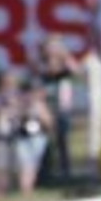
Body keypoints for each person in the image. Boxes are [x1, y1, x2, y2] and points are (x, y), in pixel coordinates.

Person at [0, 72, 52, 196]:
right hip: (21, 137)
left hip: (36, 137)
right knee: (24, 164)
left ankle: (26, 189)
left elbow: (49, 122)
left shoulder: (38, 104)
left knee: (31, 165)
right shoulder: (18, 102)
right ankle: (22, 189)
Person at [35, 35, 81, 185]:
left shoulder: (65, 65)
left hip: (63, 107)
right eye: (51, 46)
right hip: (45, 108)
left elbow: (76, 71)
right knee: (46, 143)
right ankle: (45, 175)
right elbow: (39, 85)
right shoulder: (40, 65)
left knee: (64, 142)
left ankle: (66, 173)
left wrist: (65, 56)